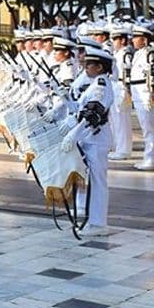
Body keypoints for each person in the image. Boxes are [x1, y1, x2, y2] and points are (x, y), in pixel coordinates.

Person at [60, 47, 114, 236]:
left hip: (96, 139)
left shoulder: (101, 85)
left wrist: (73, 134)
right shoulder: (94, 84)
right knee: (89, 180)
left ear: (99, 67)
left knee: (98, 182)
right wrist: (66, 99)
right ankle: (92, 219)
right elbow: (81, 109)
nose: (86, 67)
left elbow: (93, 114)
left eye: (89, 64)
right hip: (89, 138)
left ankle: (99, 223)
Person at [128, 26, 154, 171]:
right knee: (144, 126)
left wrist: (150, 94)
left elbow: (153, 75)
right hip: (137, 91)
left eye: (136, 37)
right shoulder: (137, 54)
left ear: (145, 39)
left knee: (149, 127)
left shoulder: (150, 53)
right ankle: (148, 156)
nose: (133, 40)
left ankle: (152, 158)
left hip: (145, 92)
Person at [108, 26, 135, 160]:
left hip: (122, 86)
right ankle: (119, 146)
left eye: (116, 39)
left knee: (122, 120)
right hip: (115, 85)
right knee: (116, 120)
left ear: (123, 41)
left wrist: (127, 91)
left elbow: (128, 72)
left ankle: (124, 149)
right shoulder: (117, 53)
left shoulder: (125, 54)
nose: (113, 42)